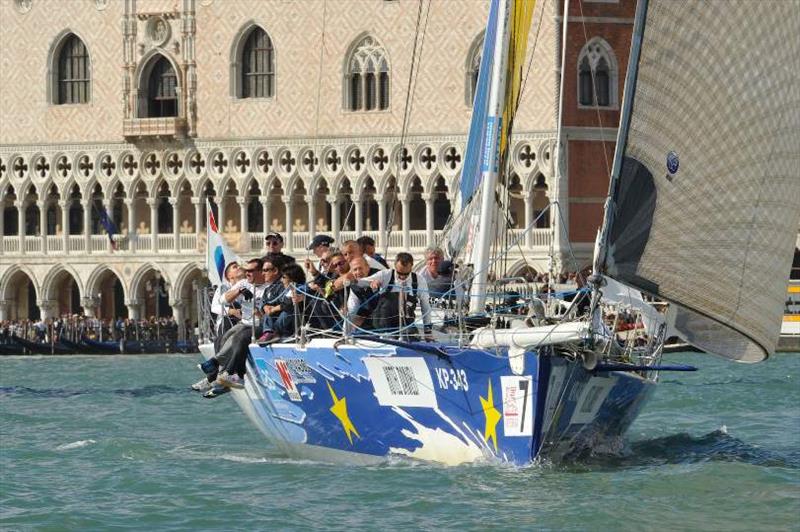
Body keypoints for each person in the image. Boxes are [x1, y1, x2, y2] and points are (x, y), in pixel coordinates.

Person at [197, 258, 266, 397]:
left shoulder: (267, 287)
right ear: (229, 276)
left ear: (260, 272)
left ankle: (222, 375)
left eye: (250, 271)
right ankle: (218, 374)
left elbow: (266, 311)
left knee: (238, 338)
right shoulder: (239, 284)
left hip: (255, 323)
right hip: (244, 322)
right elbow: (221, 302)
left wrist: (256, 310)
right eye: (246, 270)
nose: (246, 273)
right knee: (222, 339)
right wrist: (239, 292)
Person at [361, 252, 433, 341]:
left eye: (406, 274)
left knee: (412, 336)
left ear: (411, 267)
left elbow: (425, 306)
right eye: (399, 273)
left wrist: (428, 331)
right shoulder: (385, 275)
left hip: (406, 324)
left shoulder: (419, 281)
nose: (402, 277)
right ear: (394, 266)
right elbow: (360, 282)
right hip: (383, 325)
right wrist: (372, 282)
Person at [259, 262, 309, 342]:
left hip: (297, 323)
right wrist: (269, 307)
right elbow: (280, 302)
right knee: (268, 313)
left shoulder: (301, 288)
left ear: (292, 278)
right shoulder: (286, 290)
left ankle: (274, 332)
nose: (281, 280)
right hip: (287, 322)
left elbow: (288, 304)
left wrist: (274, 309)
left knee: (287, 311)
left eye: (284, 277)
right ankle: (268, 331)